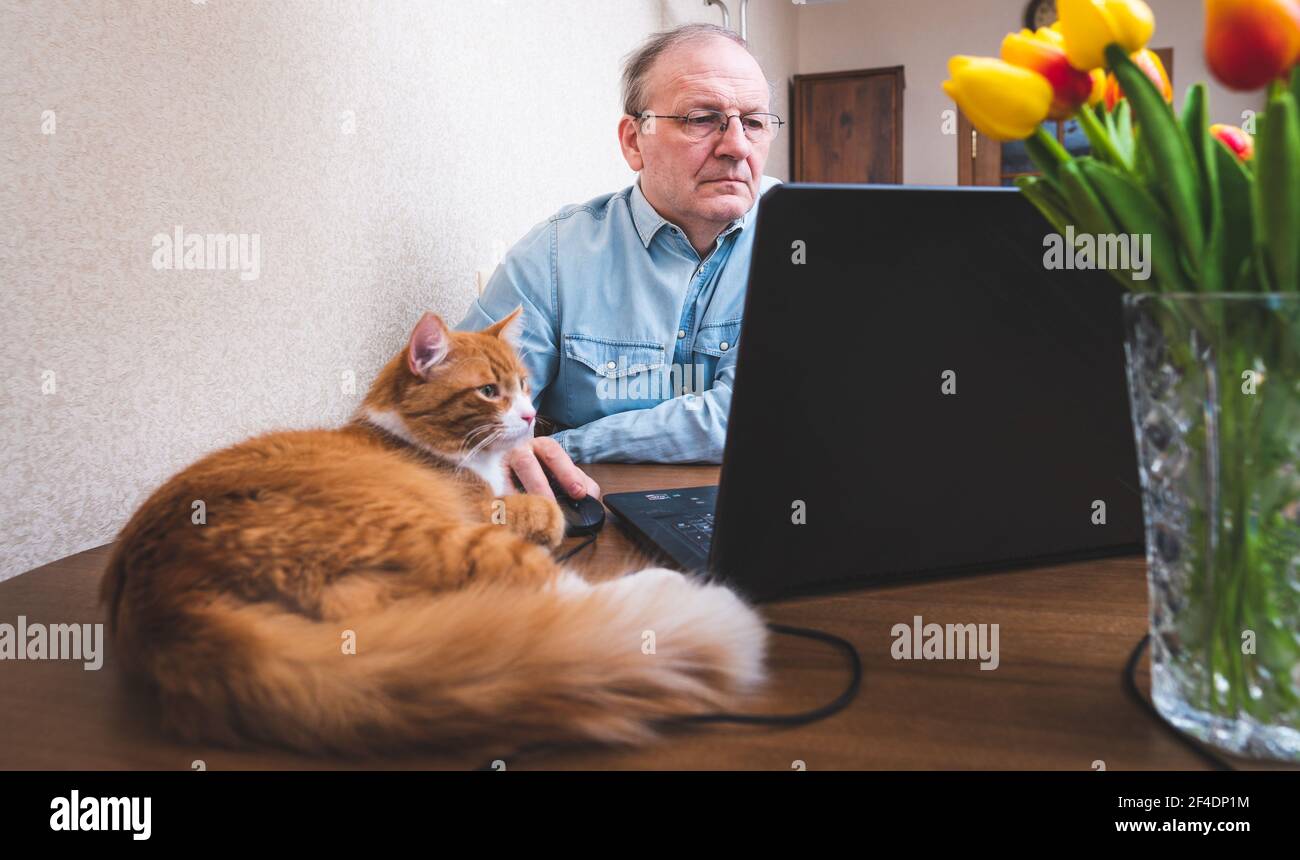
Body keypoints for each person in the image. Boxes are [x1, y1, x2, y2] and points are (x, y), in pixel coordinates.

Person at [455, 22, 782, 500]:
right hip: (594, 514)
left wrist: (566, 444)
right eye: (701, 118)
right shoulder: (553, 257)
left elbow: (753, 415)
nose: (737, 146)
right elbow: (461, 413)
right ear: (634, 141)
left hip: (765, 508)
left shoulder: (798, 242)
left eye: (753, 122)